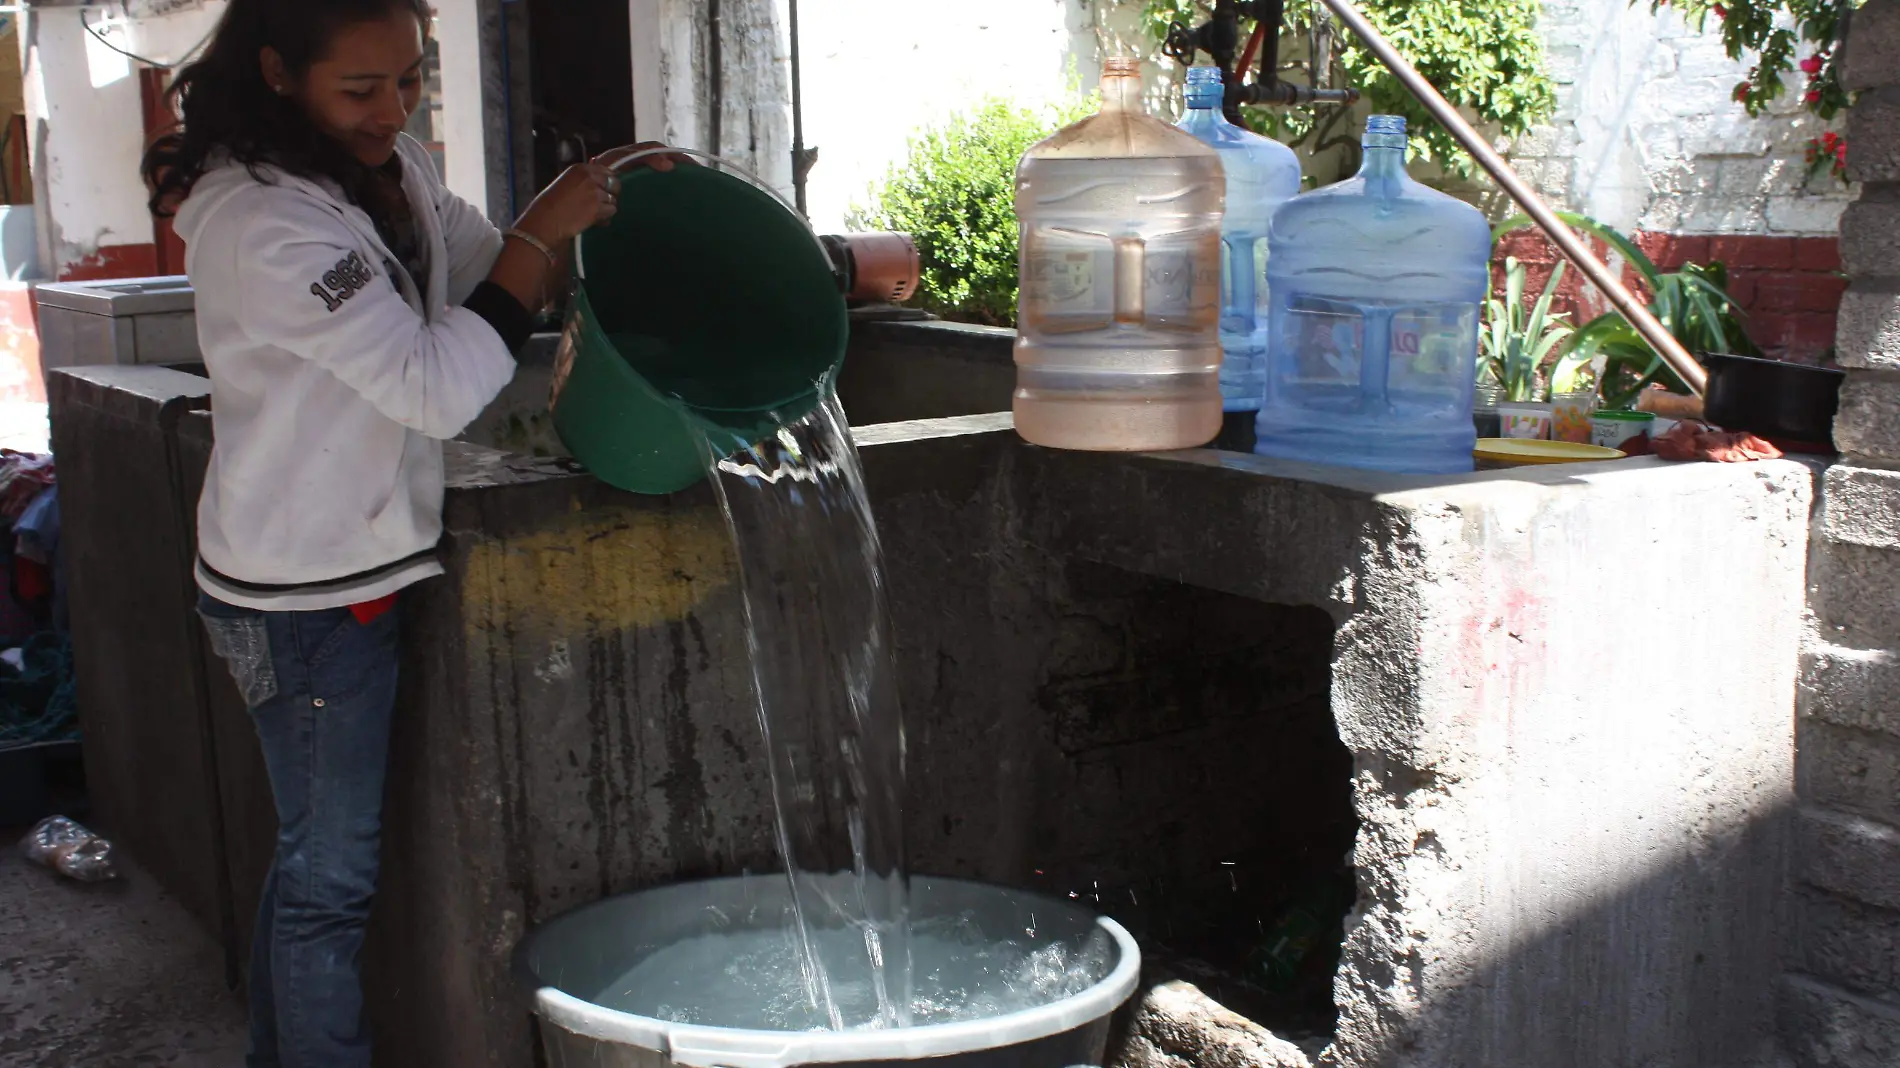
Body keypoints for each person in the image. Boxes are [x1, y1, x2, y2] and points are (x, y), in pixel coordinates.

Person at [140, 2, 680, 1064]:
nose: (394, 110)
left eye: (411, 80)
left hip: (347, 564)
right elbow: (435, 384)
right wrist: (538, 236)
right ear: (278, 72)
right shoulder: (263, 221)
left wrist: (592, 227)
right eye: (361, 89)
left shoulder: (393, 172)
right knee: (329, 883)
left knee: (315, 869)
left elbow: (492, 272)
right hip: (300, 596)